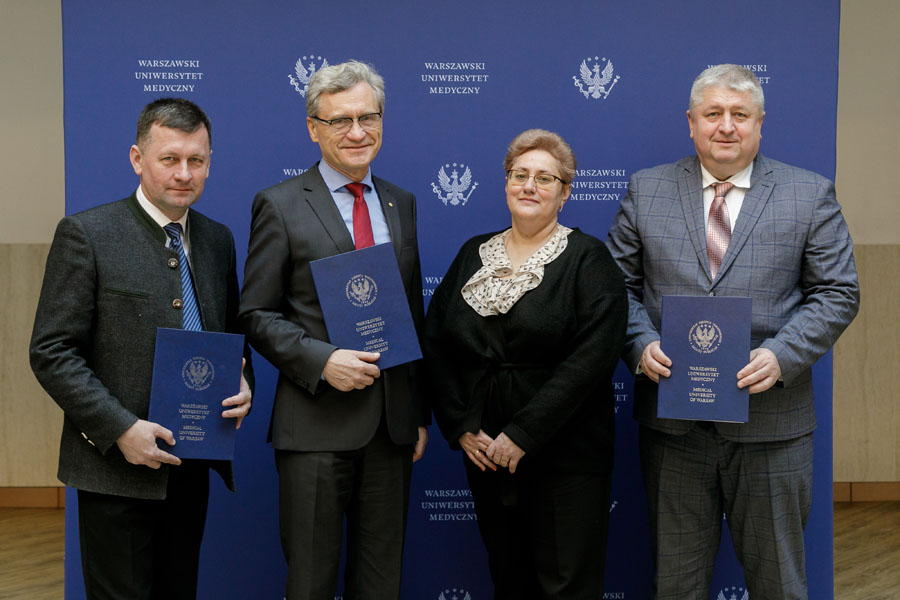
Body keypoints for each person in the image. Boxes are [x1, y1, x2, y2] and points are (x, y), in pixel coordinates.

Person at [606, 64, 860, 599]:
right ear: (691, 123)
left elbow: (838, 293)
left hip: (772, 429)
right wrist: (638, 343)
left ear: (760, 124)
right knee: (675, 585)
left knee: (778, 584)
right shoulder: (646, 190)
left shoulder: (808, 194)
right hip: (674, 430)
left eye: (739, 115)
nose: (726, 126)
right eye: (713, 114)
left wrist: (782, 355)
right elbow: (615, 288)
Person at [29, 98, 254, 600]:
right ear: (137, 159)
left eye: (196, 160)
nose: (183, 173)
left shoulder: (217, 240)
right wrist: (121, 428)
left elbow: (233, 336)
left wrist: (244, 384)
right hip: (114, 471)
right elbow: (51, 351)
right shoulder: (88, 234)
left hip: (191, 465)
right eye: (169, 158)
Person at [237, 60, 428, 600]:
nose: (357, 132)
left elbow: (411, 314)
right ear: (313, 128)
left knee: (380, 583)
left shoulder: (402, 202)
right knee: (312, 582)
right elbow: (255, 312)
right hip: (315, 427)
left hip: (392, 430)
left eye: (368, 117)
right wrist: (321, 360)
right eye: (340, 120)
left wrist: (415, 414)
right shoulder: (278, 204)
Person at [423, 129, 627, 599]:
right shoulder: (473, 254)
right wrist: (461, 425)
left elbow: (592, 358)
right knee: (508, 578)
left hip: (566, 455)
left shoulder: (588, 259)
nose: (529, 186)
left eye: (545, 178)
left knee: (565, 585)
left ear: (565, 193)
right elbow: (436, 343)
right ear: (506, 182)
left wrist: (524, 434)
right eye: (520, 175)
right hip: (486, 454)